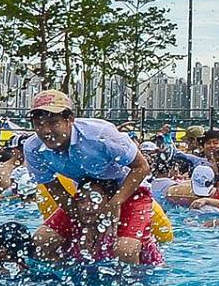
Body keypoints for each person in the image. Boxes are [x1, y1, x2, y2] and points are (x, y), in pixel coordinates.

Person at [22, 92, 157, 266]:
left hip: (130, 190)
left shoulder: (100, 134)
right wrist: (82, 220)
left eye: (54, 123)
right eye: (38, 124)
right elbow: (54, 188)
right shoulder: (33, 148)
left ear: (70, 119)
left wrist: (115, 203)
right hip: (87, 192)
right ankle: (68, 274)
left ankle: (139, 270)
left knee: (125, 250)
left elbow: (142, 167)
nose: (46, 131)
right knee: (41, 243)